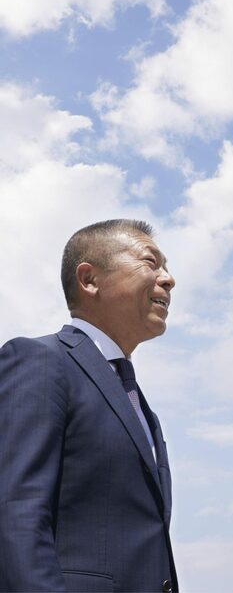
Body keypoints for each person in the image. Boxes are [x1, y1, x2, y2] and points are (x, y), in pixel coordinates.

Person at [0, 219, 178, 593]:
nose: (169, 279)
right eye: (151, 262)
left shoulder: (140, 406)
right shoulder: (40, 361)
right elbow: (16, 514)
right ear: (89, 279)